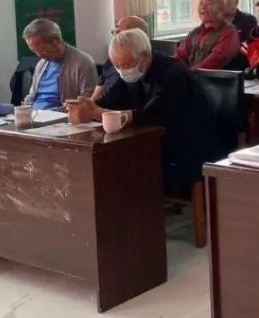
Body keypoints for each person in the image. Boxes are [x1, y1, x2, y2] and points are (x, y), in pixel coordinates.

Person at [68, 28, 216, 196]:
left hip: (186, 141)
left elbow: (154, 115)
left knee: (121, 161)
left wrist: (98, 113)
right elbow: (108, 101)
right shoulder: (128, 74)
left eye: (126, 65)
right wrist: (86, 107)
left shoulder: (173, 73)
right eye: (116, 66)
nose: (122, 70)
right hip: (151, 139)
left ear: (144, 57)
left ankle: (139, 205)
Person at [21, 18, 98, 108]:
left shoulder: (83, 63)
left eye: (42, 50)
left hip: (60, 114)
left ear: (56, 41)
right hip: (34, 113)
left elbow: (87, 102)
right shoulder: (41, 64)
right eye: (35, 52)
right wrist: (23, 110)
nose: (40, 56)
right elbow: (31, 96)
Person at [175, 0, 242, 70]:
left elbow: (214, 61)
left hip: (213, 77)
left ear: (221, 10)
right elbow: (179, 56)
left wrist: (188, 73)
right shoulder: (195, 32)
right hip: (192, 75)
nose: (203, 8)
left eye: (209, 4)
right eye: (201, 4)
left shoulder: (229, 32)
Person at [93, 15, 149, 100]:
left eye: (118, 31)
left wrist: (96, 107)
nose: (114, 36)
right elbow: (99, 90)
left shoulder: (138, 69)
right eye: (114, 31)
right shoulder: (113, 60)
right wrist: (90, 104)